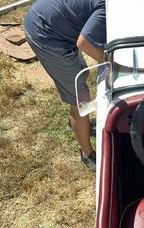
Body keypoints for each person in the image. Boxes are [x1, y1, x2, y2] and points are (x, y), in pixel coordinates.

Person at [24, 0, 106, 171]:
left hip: (52, 20)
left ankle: (75, 124)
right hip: (46, 33)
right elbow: (85, 44)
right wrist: (113, 64)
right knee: (80, 99)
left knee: (82, 74)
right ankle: (87, 154)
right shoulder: (107, 6)